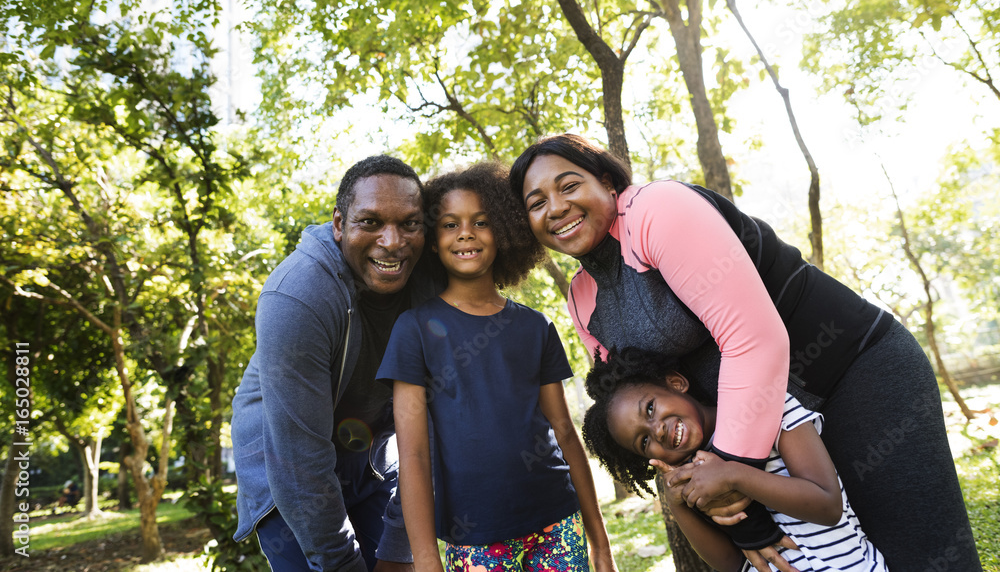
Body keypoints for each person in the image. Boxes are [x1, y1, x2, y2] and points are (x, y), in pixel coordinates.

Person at [510, 133, 982, 572]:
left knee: (927, 557)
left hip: (853, 376)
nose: (556, 207)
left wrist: (732, 482)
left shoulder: (659, 209)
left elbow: (754, 340)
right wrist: (733, 509)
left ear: (608, 183)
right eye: (536, 203)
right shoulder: (582, 298)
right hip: (764, 434)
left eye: (569, 185)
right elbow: (635, 398)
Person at [376, 161, 617, 572]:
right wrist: (426, 560)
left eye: (481, 221)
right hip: (473, 542)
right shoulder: (413, 330)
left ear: (503, 232)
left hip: (558, 523)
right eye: (450, 224)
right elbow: (412, 455)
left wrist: (600, 542)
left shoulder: (535, 326)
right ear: (433, 242)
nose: (466, 232)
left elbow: (564, 432)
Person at [231, 155, 443, 572]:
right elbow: (299, 463)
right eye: (371, 222)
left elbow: (435, 430)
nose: (393, 241)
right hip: (285, 471)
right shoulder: (297, 296)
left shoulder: (435, 284)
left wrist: (398, 552)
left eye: (410, 223)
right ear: (339, 225)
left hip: (371, 461)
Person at [583, 347, 887, 572]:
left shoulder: (767, 408)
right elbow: (732, 566)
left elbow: (828, 506)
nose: (657, 430)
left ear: (676, 383)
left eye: (650, 408)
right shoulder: (694, 478)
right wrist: (678, 505)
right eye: (644, 441)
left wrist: (732, 475)